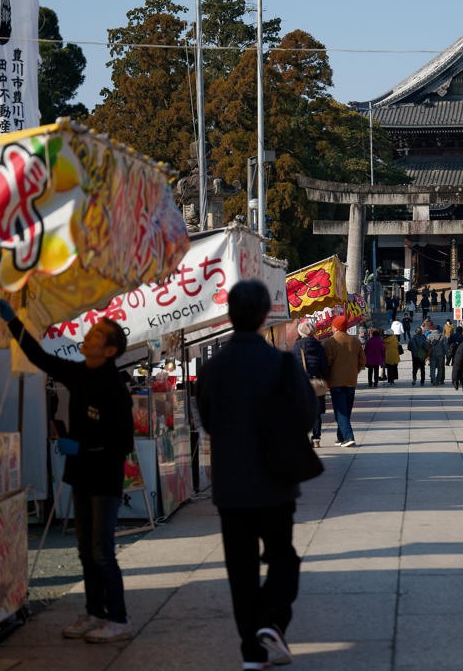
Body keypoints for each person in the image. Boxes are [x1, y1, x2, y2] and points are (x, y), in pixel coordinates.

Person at [0, 299, 134, 643]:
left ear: (110, 349)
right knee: (86, 551)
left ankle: (119, 619)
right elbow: (38, 356)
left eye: (98, 333)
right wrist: (13, 322)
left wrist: (83, 447)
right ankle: (94, 612)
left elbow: (122, 443)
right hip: (81, 475)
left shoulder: (115, 388)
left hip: (105, 480)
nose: (89, 334)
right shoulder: (77, 371)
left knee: (102, 551)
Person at [197, 281, 316, 669]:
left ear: (229, 315)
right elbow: (306, 414)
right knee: (283, 556)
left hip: (231, 482)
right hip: (275, 480)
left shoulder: (212, 367)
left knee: (241, 566)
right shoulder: (280, 362)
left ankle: (252, 651)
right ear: (267, 315)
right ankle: (271, 620)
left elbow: (209, 422)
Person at [323, 315, 366, 447]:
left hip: (335, 381)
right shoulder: (355, 341)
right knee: (346, 409)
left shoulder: (330, 342)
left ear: (335, 327)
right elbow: (362, 361)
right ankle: (340, 437)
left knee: (340, 410)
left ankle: (348, 437)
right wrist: (354, 371)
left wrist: (326, 376)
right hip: (351, 379)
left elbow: (327, 362)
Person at [291, 320, 329, 448]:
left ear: (300, 332)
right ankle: (316, 439)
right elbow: (325, 368)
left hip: (300, 384)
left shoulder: (296, 347)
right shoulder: (319, 347)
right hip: (316, 383)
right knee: (316, 412)